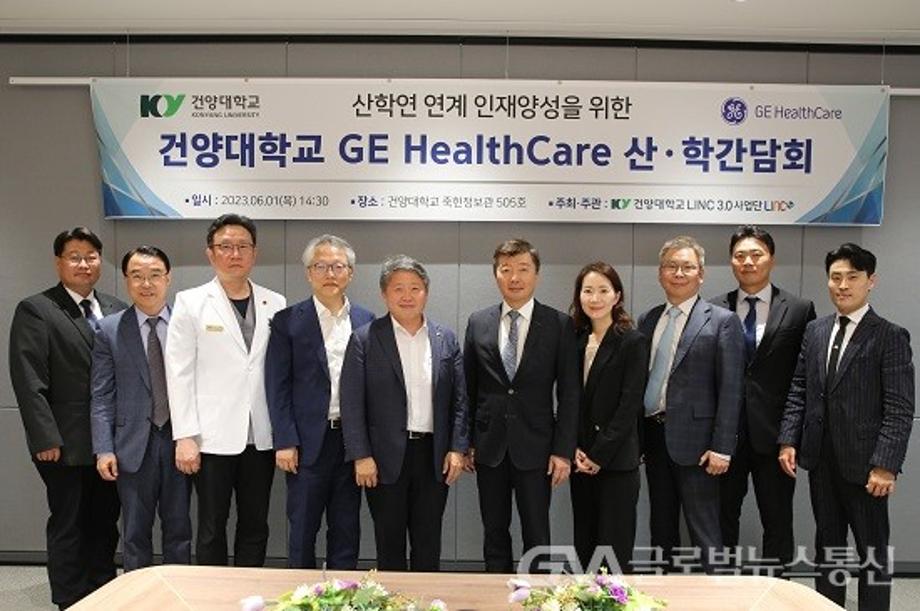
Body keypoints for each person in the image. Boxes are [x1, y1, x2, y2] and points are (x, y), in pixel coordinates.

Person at [778, 243, 913, 610]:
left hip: (867, 466)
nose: (842, 285)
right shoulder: (815, 331)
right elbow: (799, 389)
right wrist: (788, 439)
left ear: (871, 281)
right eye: (836, 277)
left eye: (852, 277)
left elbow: (900, 408)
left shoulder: (889, 335)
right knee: (828, 547)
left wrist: (885, 465)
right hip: (821, 460)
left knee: (872, 551)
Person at [9, 227, 127, 609]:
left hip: (108, 444)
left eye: (91, 256)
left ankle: (102, 592)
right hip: (64, 443)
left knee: (105, 522)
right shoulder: (37, 309)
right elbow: (29, 381)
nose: (84, 264)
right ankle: (70, 599)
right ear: (58, 262)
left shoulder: (115, 308)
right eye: (74, 257)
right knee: (69, 523)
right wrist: (45, 438)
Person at [165, 214, 286, 567]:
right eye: (225, 246)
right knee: (211, 526)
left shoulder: (275, 302)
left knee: (255, 524)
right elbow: (178, 373)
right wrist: (185, 436)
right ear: (210, 253)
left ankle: (249, 589)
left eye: (243, 246)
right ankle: (211, 593)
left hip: (260, 435)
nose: (235, 254)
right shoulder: (190, 302)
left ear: (254, 253)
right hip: (211, 437)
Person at [340, 255, 469, 571]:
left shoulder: (445, 338)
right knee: (389, 542)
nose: (407, 296)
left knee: (428, 540)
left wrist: (457, 448)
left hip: (433, 456)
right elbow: (352, 402)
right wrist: (361, 455)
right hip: (383, 458)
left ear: (426, 292)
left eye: (415, 288)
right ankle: (392, 596)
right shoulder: (365, 339)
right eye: (398, 288)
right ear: (384, 294)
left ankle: (427, 597)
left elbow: (460, 400)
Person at [463, 238, 579, 573]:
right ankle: (494, 593)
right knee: (494, 530)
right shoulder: (478, 322)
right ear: (496, 275)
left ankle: (537, 593)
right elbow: (468, 388)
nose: (515, 277)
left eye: (523, 269)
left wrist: (563, 451)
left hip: (538, 446)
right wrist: (467, 441)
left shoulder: (558, 324)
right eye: (506, 269)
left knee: (537, 531)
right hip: (489, 446)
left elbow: (570, 394)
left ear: (536, 274)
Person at [710, 226, 815, 574]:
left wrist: (792, 436)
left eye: (756, 254)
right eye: (740, 255)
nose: (748, 262)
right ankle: (722, 589)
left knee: (778, 519)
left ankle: (775, 588)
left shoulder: (799, 309)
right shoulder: (713, 308)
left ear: (771, 259)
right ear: (731, 261)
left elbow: (806, 378)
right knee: (722, 518)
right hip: (725, 437)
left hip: (776, 437)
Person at [265, 235, 375, 569]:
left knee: (346, 527)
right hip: (306, 442)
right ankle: (300, 591)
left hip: (351, 442)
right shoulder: (287, 321)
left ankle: (343, 590)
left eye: (338, 266)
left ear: (350, 273)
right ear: (308, 273)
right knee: (303, 528)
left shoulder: (367, 320)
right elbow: (277, 385)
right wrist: (284, 440)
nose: (330, 273)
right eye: (321, 266)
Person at [636, 235, 744, 574]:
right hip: (654, 438)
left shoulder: (722, 320)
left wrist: (722, 447)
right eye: (671, 266)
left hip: (700, 445)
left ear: (701, 274)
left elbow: (731, 389)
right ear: (660, 273)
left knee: (705, 531)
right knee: (661, 527)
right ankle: (661, 594)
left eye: (687, 267)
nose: (678, 273)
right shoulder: (648, 319)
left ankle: (718, 595)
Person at [90, 246, 192, 571]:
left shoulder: (188, 324)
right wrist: (104, 449)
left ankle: (178, 594)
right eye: (137, 276)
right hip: (131, 445)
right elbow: (102, 395)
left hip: (181, 441)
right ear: (126, 280)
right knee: (134, 534)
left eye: (154, 275)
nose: (146, 284)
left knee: (180, 531)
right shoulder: (109, 329)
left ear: (168, 278)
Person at [569, 262, 647, 574]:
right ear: (579, 296)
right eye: (588, 291)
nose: (595, 298)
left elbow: (629, 406)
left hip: (616, 461)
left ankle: (615, 598)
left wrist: (598, 454)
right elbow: (570, 400)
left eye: (603, 290)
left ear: (617, 296)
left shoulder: (632, 341)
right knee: (585, 544)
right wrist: (574, 447)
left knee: (614, 550)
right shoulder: (575, 339)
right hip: (580, 460)